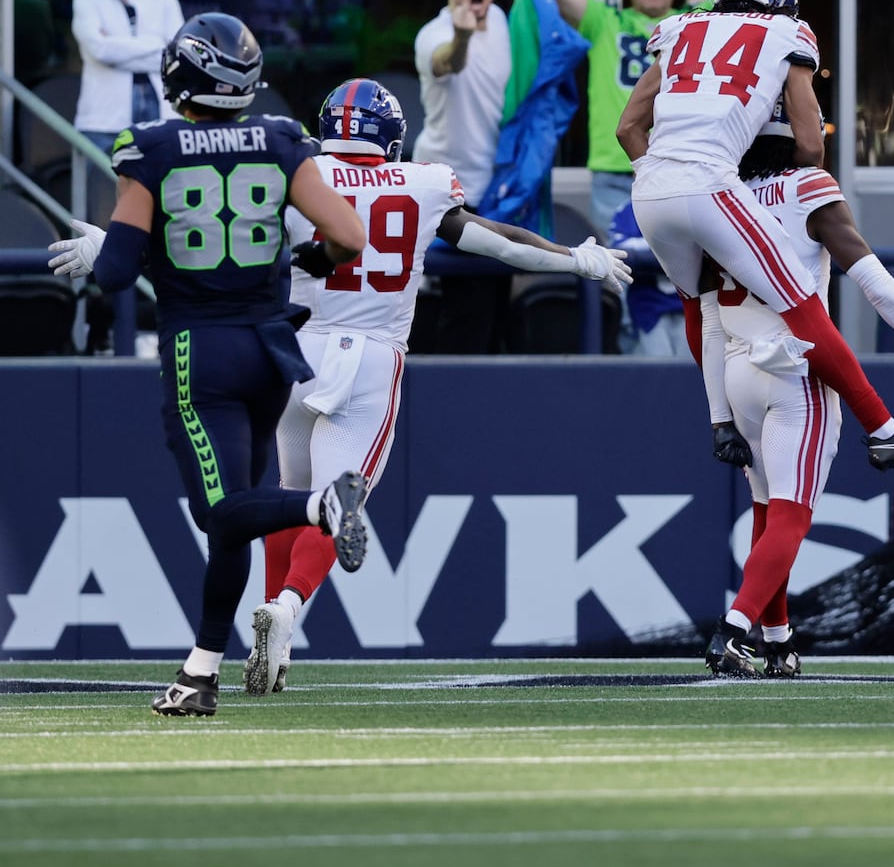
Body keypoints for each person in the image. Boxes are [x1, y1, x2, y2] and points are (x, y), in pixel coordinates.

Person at [243, 79, 631, 696]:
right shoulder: (420, 184)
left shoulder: (299, 172)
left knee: (291, 493)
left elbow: (226, 238)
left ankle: (273, 630)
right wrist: (573, 258)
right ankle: (287, 608)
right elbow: (499, 243)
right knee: (338, 501)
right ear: (390, 138)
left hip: (293, 352)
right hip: (369, 358)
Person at [46, 13, 369, 718]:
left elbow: (118, 276)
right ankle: (200, 673)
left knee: (219, 508)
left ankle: (323, 502)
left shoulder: (154, 148)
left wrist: (116, 243)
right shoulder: (282, 137)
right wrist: (292, 260)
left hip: (203, 349)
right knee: (235, 520)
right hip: (272, 348)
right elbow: (347, 237)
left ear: (181, 75)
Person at [616, 0, 894, 469]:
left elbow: (628, 128)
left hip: (650, 191)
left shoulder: (680, 27)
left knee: (701, 306)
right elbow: (810, 145)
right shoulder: (787, 33)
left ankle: (719, 423)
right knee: (805, 306)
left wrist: (664, 175)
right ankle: (885, 429)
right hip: (712, 187)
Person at [699, 106, 894, 678]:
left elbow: (706, 319)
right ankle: (733, 632)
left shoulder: (717, 200)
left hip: (736, 371)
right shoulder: (807, 188)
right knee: (791, 516)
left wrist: (719, 414)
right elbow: (877, 285)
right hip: (794, 371)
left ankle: (777, 642)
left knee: (766, 511)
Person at [538, 0, 734, 236]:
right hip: (615, 168)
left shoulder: (695, 19)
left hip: (679, 165)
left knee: (676, 274)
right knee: (616, 270)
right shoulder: (605, 21)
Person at [412, 0, 513, 354]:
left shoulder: (503, 20)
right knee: (461, 308)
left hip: (494, 189)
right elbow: (446, 62)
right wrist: (462, 37)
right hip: (445, 189)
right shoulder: (433, 34)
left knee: (494, 304)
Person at [70, 0, 183, 223]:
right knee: (102, 209)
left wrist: (117, 44)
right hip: (103, 121)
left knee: (164, 207)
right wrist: (154, 44)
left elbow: (175, 53)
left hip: (160, 115)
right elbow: (99, 50)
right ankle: (95, 272)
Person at [607, 200, 686, 356]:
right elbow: (621, 254)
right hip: (648, 306)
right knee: (657, 369)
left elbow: (700, 252)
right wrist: (668, 252)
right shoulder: (629, 210)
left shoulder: (689, 204)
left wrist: (649, 254)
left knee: (693, 369)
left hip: (691, 306)